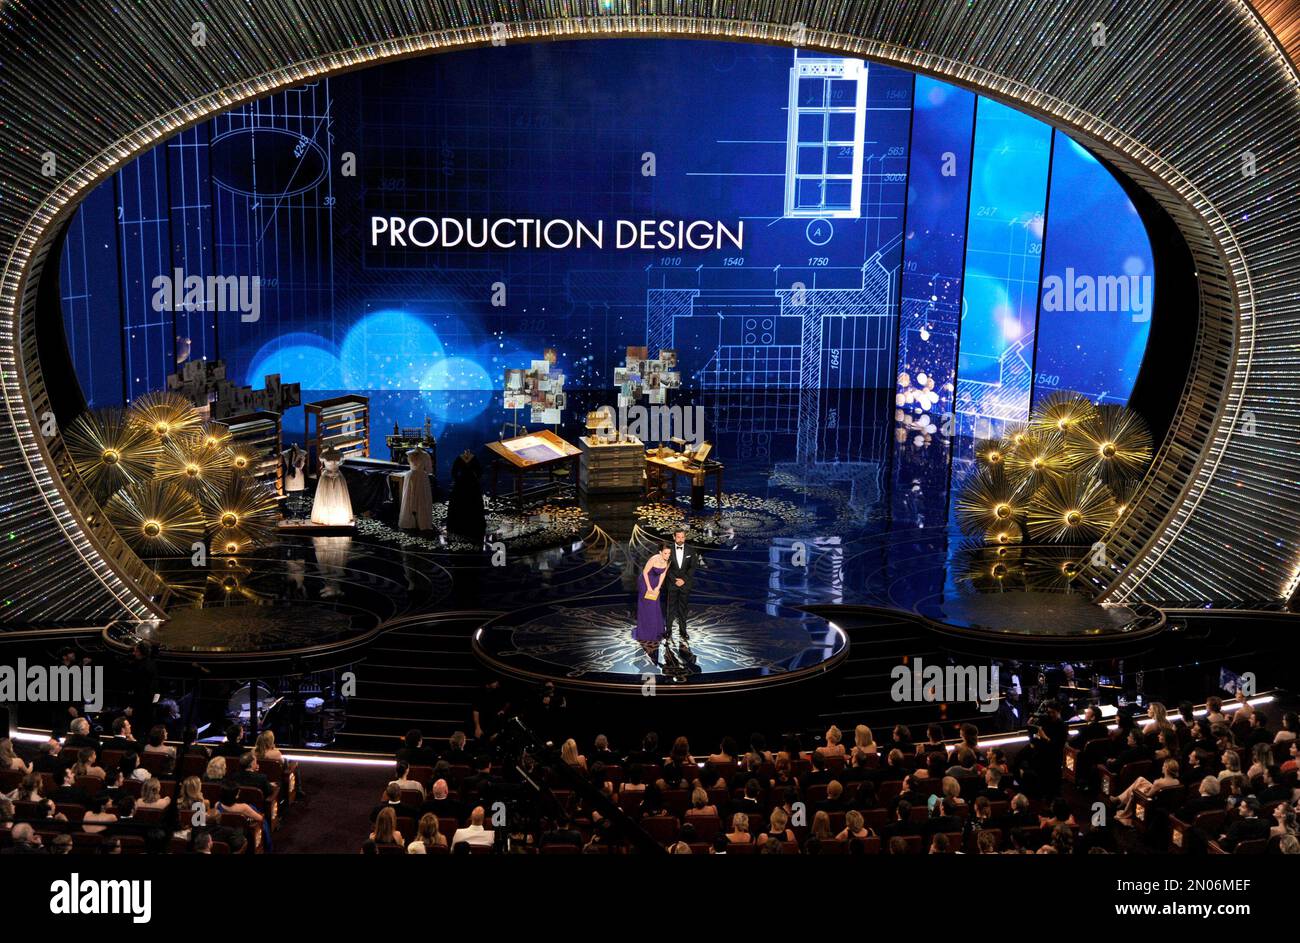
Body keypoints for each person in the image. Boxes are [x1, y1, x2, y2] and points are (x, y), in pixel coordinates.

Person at [662, 528, 702, 645]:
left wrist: (683, 580)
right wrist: (675, 580)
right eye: (678, 537)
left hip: (685, 584)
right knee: (670, 608)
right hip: (672, 583)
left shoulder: (691, 549)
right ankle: (668, 631)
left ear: (685, 537)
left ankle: (683, 631)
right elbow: (665, 567)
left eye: (682, 537)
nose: (680, 539)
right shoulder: (668, 549)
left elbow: (693, 567)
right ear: (674, 537)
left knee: (683, 609)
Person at [634, 546, 670, 664]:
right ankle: (645, 631)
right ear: (660, 552)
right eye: (665, 553)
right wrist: (649, 587)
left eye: (669, 554)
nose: (667, 555)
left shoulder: (667, 561)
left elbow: (662, 575)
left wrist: (658, 587)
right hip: (645, 582)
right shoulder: (654, 559)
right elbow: (644, 572)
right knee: (647, 608)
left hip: (655, 584)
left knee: (655, 607)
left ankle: (656, 630)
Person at [447, 448, 486, 544]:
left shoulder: (459, 458)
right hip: (472, 483)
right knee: (474, 502)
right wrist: (476, 479)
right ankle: (473, 523)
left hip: (461, 482)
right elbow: (480, 471)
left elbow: (453, 472)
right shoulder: (474, 458)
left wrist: (457, 480)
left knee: (458, 502)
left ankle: (459, 522)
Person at [310, 445, 353, 525]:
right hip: (327, 476)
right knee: (327, 495)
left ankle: (338, 515)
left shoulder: (340, 454)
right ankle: (326, 516)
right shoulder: (323, 455)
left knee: (339, 495)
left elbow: (341, 462)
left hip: (338, 476)